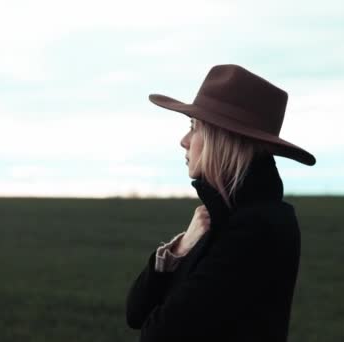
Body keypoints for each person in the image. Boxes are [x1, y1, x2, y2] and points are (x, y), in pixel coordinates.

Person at [125, 64, 316, 342]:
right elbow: (135, 313)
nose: (184, 141)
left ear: (222, 139)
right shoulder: (223, 217)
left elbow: (158, 334)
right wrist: (179, 248)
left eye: (194, 128)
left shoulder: (254, 228)